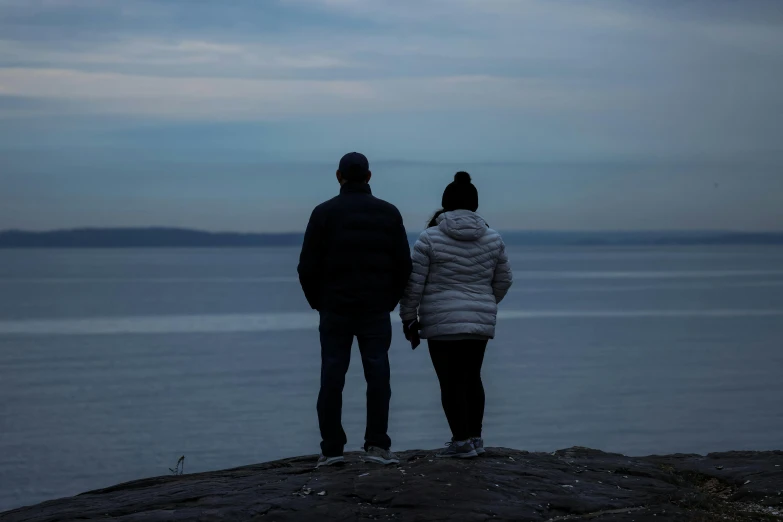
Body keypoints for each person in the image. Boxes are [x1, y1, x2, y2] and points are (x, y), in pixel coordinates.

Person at [298, 152, 413, 468]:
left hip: (334, 308)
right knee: (378, 373)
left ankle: (332, 449)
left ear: (339, 176)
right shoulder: (388, 213)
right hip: (375, 307)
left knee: (332, 374)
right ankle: (376, 445)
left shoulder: (323, 213)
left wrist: (318, 302)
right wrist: (389, 300)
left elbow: (306, 267)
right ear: (369, 176)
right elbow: (404, 265)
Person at [399, 172, 513, 459]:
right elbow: (504, 280)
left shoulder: (429, 237)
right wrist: (485, 302)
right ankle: (475, 438)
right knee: (473, 377)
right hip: (478, 322)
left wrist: (408, 317)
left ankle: (460, 441)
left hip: (440, 323)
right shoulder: (493, 238)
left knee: (450, 381)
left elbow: (414, 282)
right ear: (474, 205)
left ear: (445, 204)